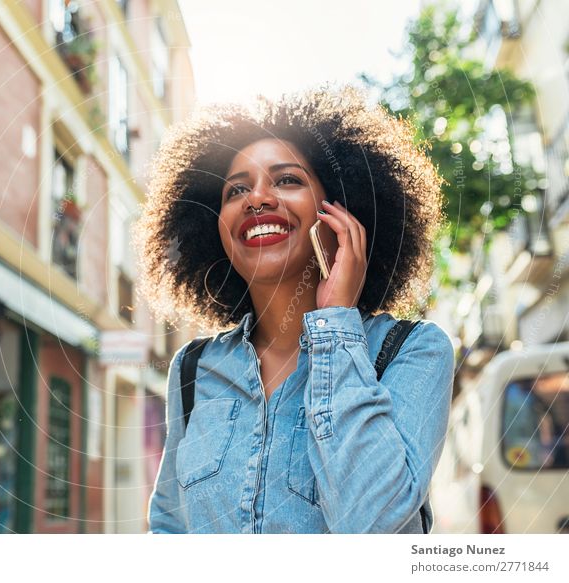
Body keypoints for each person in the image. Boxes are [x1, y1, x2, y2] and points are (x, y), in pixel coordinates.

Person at [131, 85, 456, 534]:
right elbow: (169, 530)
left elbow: (374, 523)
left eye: (287, 180)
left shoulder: (411, 352)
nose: (257, 198)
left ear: (339, 210)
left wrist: (336, 323)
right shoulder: (192, 369)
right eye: (236, 189)